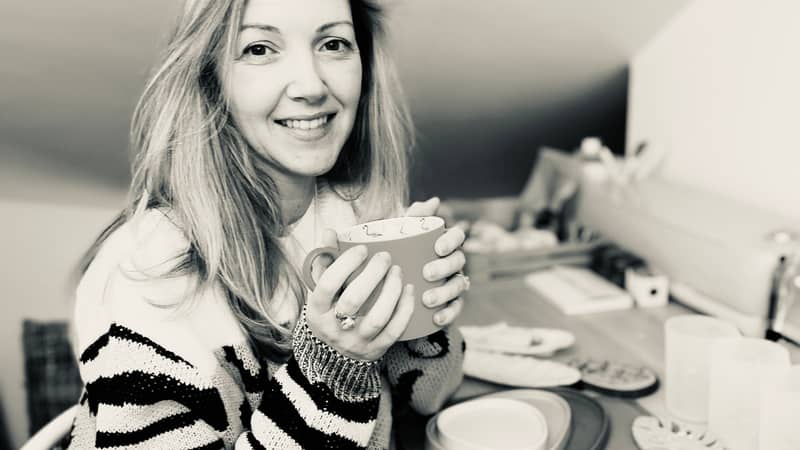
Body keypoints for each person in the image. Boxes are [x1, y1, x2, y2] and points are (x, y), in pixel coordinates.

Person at [65, 0, 469, 448]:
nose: (312, 86)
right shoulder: (143, 276)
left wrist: (425, 317)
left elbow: (431, 399)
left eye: (333, 43)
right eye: (259, 49)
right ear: (208, 76)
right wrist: (333, 368)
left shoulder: (364, 214)